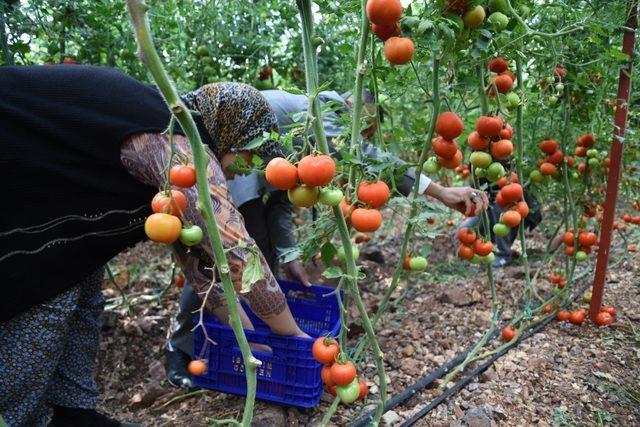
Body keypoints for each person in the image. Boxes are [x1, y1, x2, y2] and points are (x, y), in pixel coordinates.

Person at [0, 65, 308, 427]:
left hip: (58, 200)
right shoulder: (180, 146)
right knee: (45, 297)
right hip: (17, 170)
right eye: (250, 154)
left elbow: (200, 264)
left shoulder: (173, 140)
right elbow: (235, 248)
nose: (251, 167)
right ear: (231, 133)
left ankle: (72, 412)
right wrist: (296, 337)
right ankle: (17, 415)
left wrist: (248, 335)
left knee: (83, 289)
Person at [164, 88, 490, 388]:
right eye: (362, 127)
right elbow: (369, 155)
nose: (360, 136)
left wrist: (288, 255)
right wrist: (440, 191)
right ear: (352, 111)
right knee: (222, 254)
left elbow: (280, 203)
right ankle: (184, 346)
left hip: (250, 169)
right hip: (230, 159)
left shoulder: (305, 146)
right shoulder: (324, 111)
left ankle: (252, 336)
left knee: (254, 256)